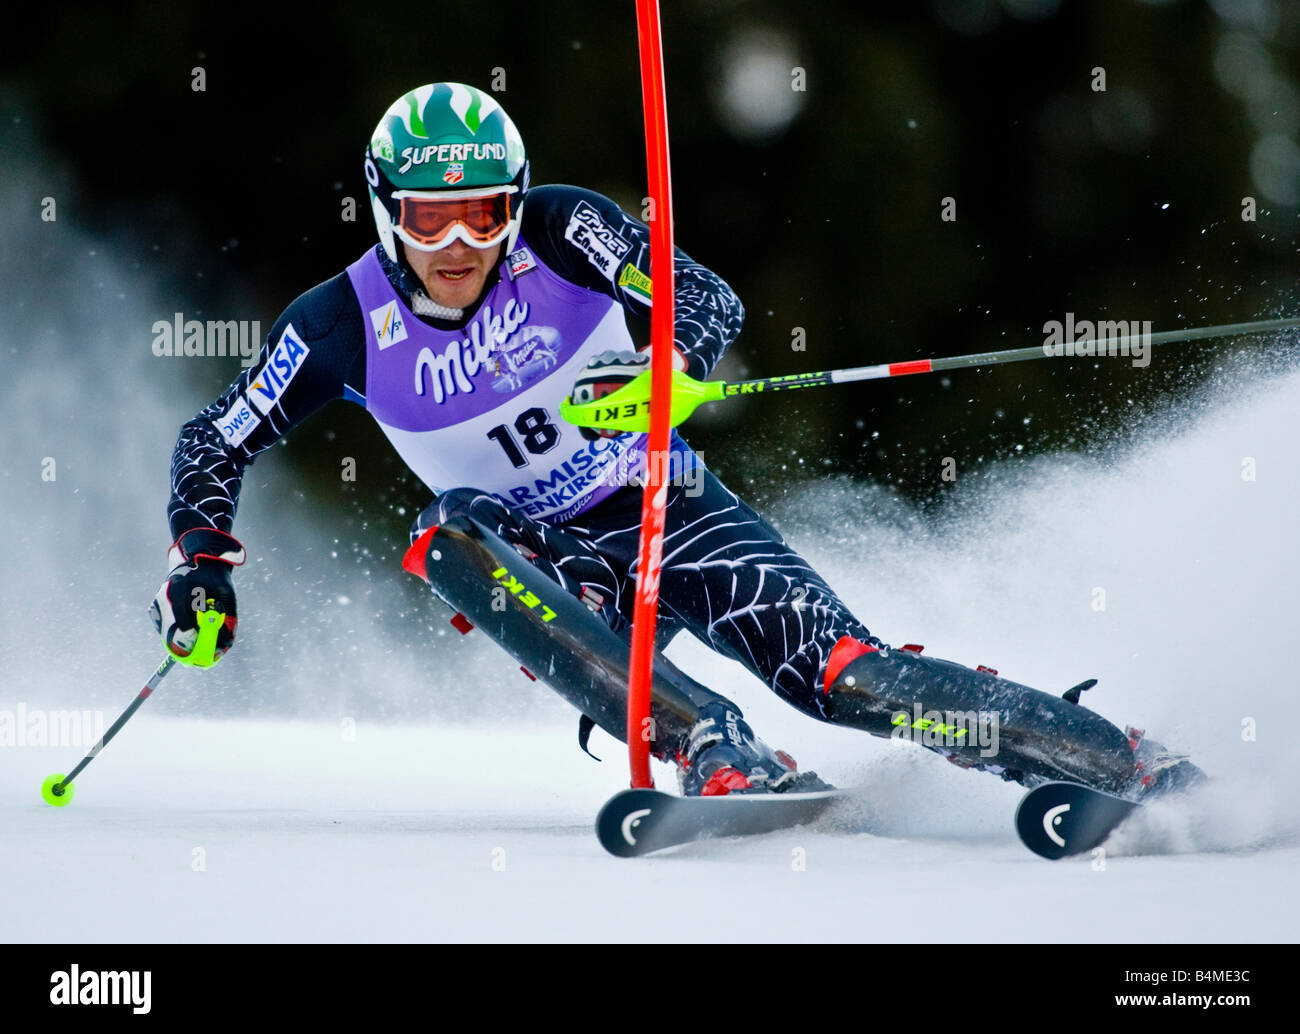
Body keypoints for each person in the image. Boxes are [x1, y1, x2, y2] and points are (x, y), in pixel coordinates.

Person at [152, 82, 1187, 800]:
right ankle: (711, 743)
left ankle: (1107, 756)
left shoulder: (563, 230)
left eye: (481, 216)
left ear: (513, 206)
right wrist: (198, 560)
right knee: (447, 535)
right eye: (430, 221)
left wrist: (665, 367)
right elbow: (214, 438)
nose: (459, 247)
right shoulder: (335, 324)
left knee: (847, 677)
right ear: (387, 216)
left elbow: (699, 293)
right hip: (549, 562)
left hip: (668, 504)